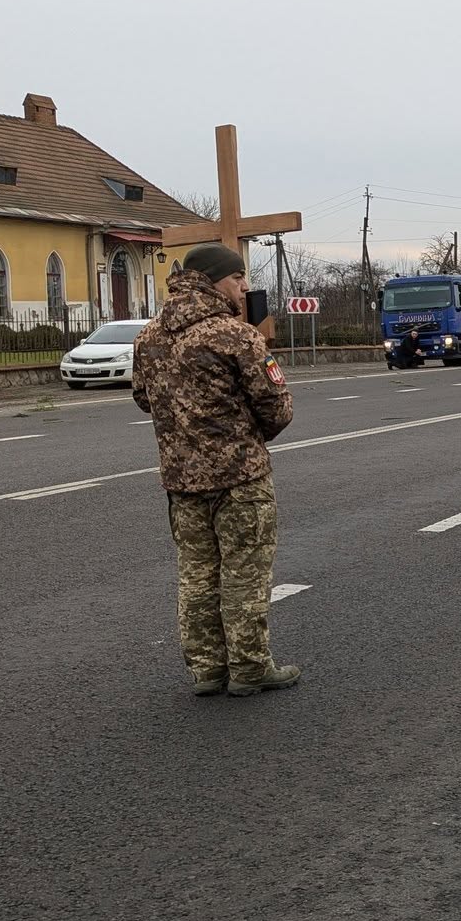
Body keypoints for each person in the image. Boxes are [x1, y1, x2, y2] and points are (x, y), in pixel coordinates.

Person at [132, 244, 300, 698]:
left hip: (181, 481)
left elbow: (144, 398)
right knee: (244, 572)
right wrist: (241, 437)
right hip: (240, 478)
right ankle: (249, 669)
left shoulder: (149, 337)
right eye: (237, 278)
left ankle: (207, 670)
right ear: (212, 280)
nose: (245, 287)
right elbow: (277, 407)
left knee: (197, 573)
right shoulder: (235, 335)